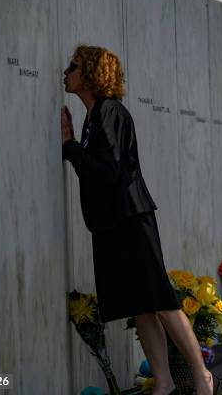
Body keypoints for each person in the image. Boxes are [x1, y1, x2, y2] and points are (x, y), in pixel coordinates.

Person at [61, 45, 213, 395]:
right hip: (114, 223)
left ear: (92, 74)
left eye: (73, 67)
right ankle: (164, 383)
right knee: (141, 308)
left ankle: (201, 375)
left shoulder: (110, 112)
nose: (65, 72)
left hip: (129, 220)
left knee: (160, 300)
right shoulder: (94, 114)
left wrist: (70, 148)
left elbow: (109, 171)